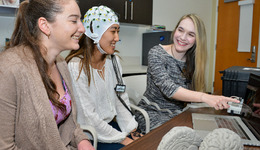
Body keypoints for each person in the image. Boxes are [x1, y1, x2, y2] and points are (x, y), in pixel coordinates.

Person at [0, 0, 94, 149]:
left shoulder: (61, 64)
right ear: (44, 25)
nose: (82, 28)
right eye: (74, 20)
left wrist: (83, 142)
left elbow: (70, 125)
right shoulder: (9, 68)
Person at [135, 14, 240, 133]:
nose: (183, 37)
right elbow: (169, 89)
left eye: (191, 34)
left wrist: (218, 101)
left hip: (177, 114)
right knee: (182, 138)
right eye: (180, 30)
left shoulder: (193, 61)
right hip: (151, 114)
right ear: (175, 30)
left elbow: (190, 95)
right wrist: (206, 97)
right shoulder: (156, 53)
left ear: (197, 40)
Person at [66, 5, 142, 150]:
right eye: (113, 31)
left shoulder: (113, 61)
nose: (117, 38)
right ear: (95, 31)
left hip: (111, 127)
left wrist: (132, 130)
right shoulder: (76, 67)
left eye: (118, 32)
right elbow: (88, 117)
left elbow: (121, 99)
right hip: (90, 134)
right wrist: (122, 139)